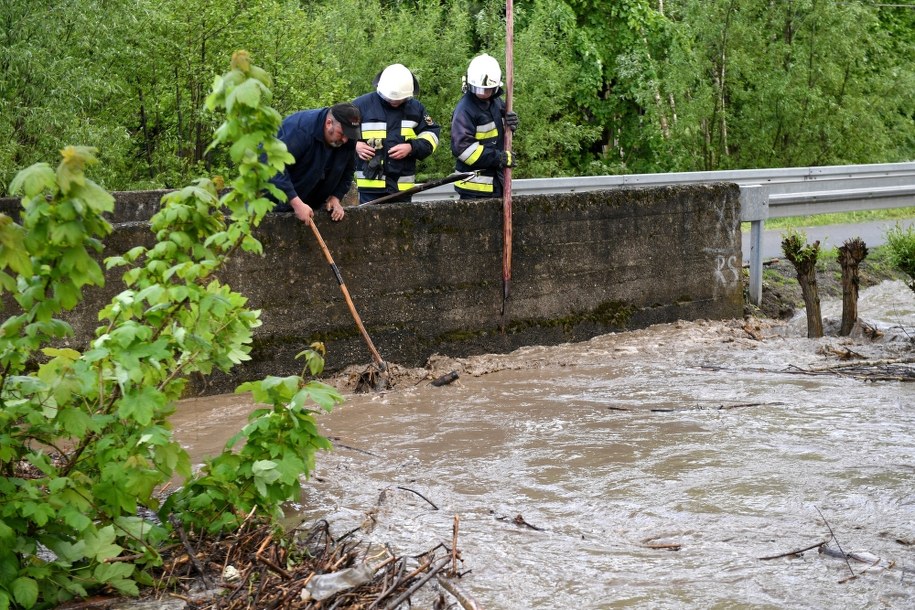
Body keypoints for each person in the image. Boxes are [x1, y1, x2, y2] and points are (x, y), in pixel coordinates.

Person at [352, 64, 441, 204]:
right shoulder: (361, 105)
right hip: (370, 187)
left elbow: (432, 135)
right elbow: (339, 135)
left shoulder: (416, 109)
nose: (394, 101)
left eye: (399, 99)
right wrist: (355, 145)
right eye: (390, 98)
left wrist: (411, 147)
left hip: (403, 187)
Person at [268, 102, 362, 224]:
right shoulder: (300, 129)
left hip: (310, 204)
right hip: (272, 201)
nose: (345, 140)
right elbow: (274, 164)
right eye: (342, 134)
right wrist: (296, 203)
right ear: (329, 123)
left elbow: (348, 170)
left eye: (349, 136)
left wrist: (336, 196)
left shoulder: (347, 139)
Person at [451, 53, 519, 199]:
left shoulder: (497, 103)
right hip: (473, 188)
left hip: (496, 183)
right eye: (479, 89)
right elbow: (463, 149)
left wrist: (510, 126)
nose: (483, 94)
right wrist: (498, 158)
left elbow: (499, 137)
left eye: (488, 90)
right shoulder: (465, 109)